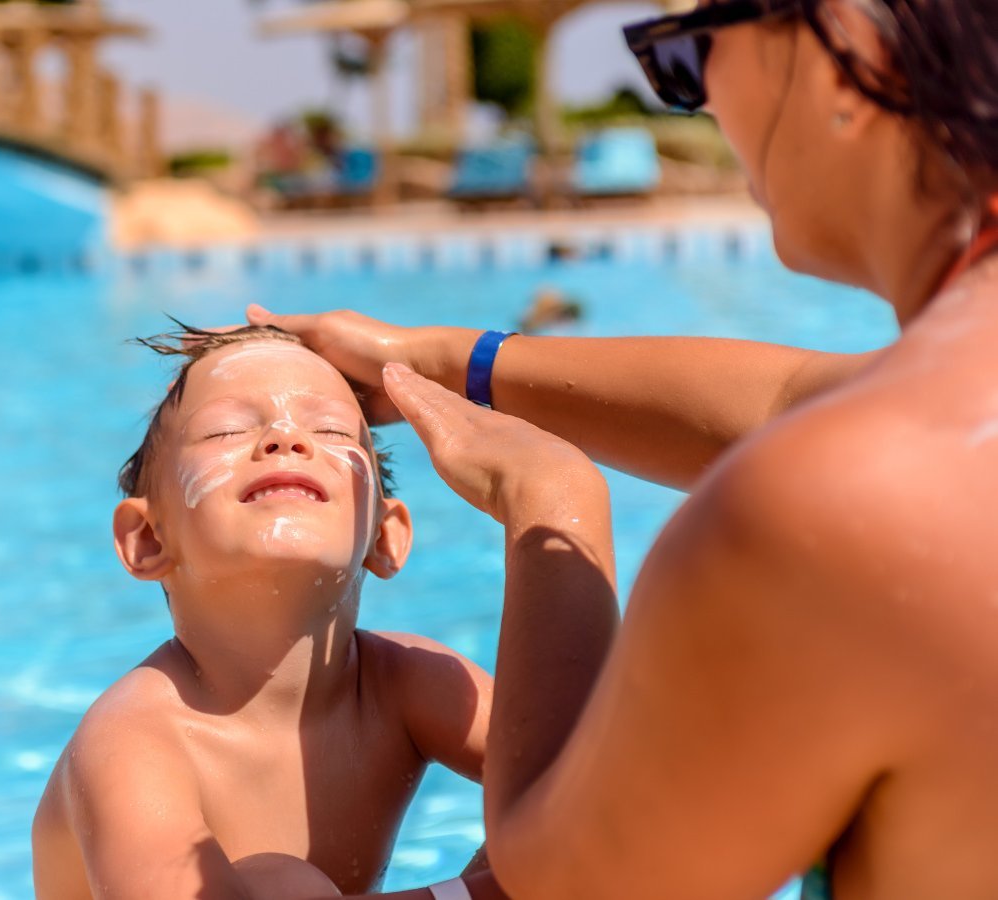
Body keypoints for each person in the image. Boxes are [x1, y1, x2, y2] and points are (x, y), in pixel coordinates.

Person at [242, 0, 998, 895]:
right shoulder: (941, 409)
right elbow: (787, 398)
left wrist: (551, 497)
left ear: (849, 42)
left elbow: (566, 882)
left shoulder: (825, 516)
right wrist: (449, 360)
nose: (695, 100)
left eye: (686, 53)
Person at [31, 325, 503, 900]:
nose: (286, 438)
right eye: (226, 429)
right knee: (279, 884)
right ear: (148, 539)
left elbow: (587, 781)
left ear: (385, 535)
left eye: (328, 429)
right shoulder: (132, 742)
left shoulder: (411, 683)